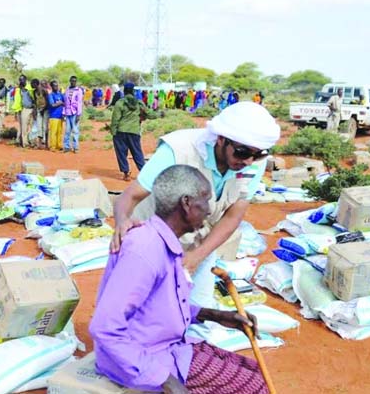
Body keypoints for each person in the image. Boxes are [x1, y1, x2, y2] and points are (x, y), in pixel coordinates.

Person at [91, 164, 268, 393]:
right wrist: (166, 380)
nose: (209, 209)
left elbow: (159, 309)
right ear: (186, 204)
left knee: (253, 370)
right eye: (205, 200)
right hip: (144, 360)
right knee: (254, 387)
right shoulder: (145, 248)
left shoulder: (164, 242)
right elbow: (105, 327)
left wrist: (213, 315)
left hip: (170, 347)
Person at [111, 102, 280, 308]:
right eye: (242, 153)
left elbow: (233, 216)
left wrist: (196, 257)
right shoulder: (179, 150)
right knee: (139, 310)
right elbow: (130, 196)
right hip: (150, 244)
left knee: (197, 312)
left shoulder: (252, 162)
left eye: (259, 154)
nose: (249, 161)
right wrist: (121, 222)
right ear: (221, 139)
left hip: (199, 244)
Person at [110, 82, 153, 181]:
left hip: (121, 131)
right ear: (133, 91)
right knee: (137, 152)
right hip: (134, 131)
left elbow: (115, 119)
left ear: (124, 91)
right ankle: (144, 173)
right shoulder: (139, 103)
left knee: (121, 153)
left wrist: (113, 131)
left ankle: (126, 173)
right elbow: (148, 114)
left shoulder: (120, 103)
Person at [63, 75, 83, 153]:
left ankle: (75, 147)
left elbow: (79, 103)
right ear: (70, 81)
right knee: (67, 131)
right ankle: (66, 147)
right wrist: (64, 113)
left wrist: (79, 114)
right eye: (72, 81)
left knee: (75, 130)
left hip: (75, 113)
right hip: (68, 113)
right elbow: (65, 102)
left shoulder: (79, 90)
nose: (73, 82)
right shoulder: (67, 90)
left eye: (75, 81)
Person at [16, 75, 35, 148]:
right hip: (24, 109)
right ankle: (25, 143)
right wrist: (17, 110)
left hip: (32, 109)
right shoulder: (18, 89)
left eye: (22, 79)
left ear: (26, 80)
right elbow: (17, 100)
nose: (21, 81)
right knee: (24, 127)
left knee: (31, 127)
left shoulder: (30, 87)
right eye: (20, 80)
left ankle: (31, 141)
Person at [47, 80, 65, 151]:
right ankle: (52, 146)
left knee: (59, 132)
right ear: (51, 87)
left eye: (57, 85)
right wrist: (60, 103)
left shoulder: (60, 94)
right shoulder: (51, 95)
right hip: (53, 116)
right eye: (54, 86)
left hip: (60, 116)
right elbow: (52, 105)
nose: (56, 87)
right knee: (53, 132)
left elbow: (64, 103)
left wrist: (59, 103)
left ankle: (59, 145)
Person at [32, 78, 49, 149]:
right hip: (39, 110)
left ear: (36, 84)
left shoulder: (44, 91)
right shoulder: (34, 92)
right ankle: (39, 144)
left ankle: (47, 144)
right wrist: (35, 111)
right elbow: (35, 102)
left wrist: (43, 110)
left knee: (45, 127)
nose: (31, 85)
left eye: (32, 84)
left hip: (45, 110)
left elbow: (48, 102)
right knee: (39, 127)